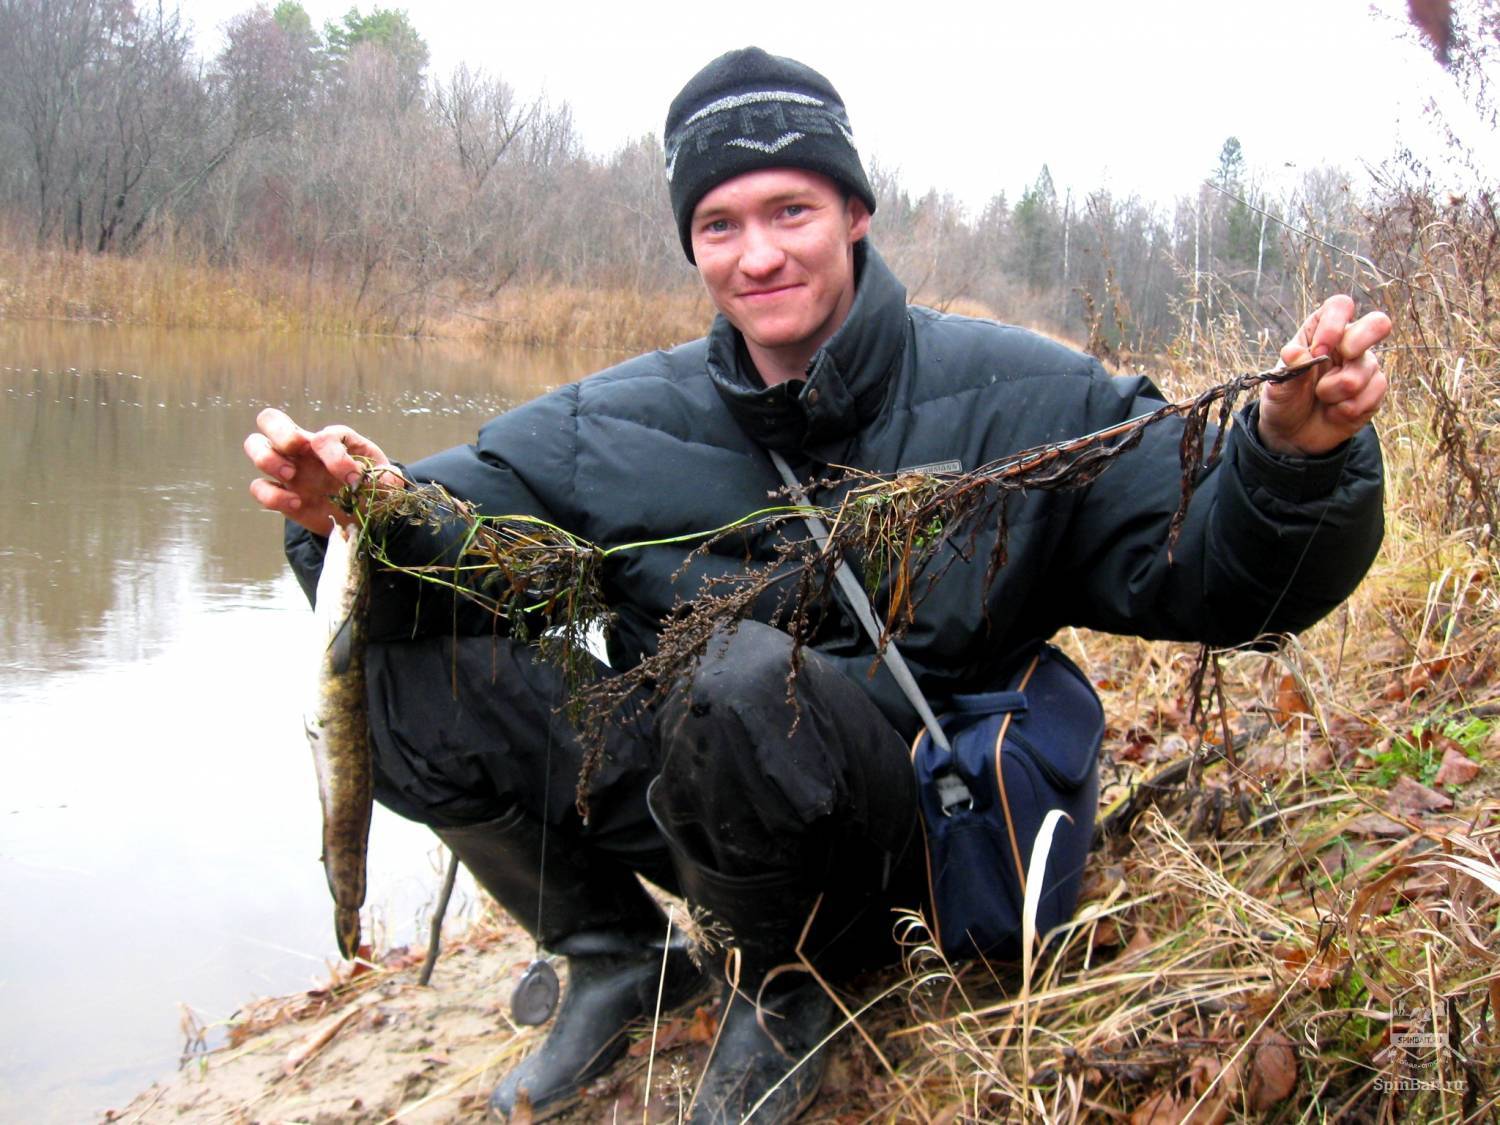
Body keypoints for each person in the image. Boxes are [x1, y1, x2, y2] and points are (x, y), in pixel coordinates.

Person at [246, 47, 1389, 1123]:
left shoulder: (1022, 393)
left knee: (742, 679)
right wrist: (349, 508)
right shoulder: (607, 424)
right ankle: (613, 956)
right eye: (719, 224)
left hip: (893, 827)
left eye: (790, 211)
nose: (758, 255)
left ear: (855, 212)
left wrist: (1292, 460)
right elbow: (448, 551)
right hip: (689, 805)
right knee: (397, 678)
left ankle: (788, 989)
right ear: (691, 245)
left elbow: (1221, 580)